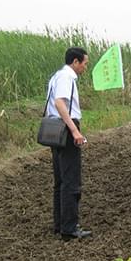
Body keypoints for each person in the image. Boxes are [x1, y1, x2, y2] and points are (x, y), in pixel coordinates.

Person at [47, 47, 92, 240]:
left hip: (53, 129)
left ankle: (60, 224)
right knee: (71, 180)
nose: (85, 67)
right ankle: (69, 228)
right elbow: (59, 102)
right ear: (75, 62)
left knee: (60, 180)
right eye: (84, 63)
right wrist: (74, 130)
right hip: (65, 129)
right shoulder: (67, 78)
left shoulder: (56, 76)